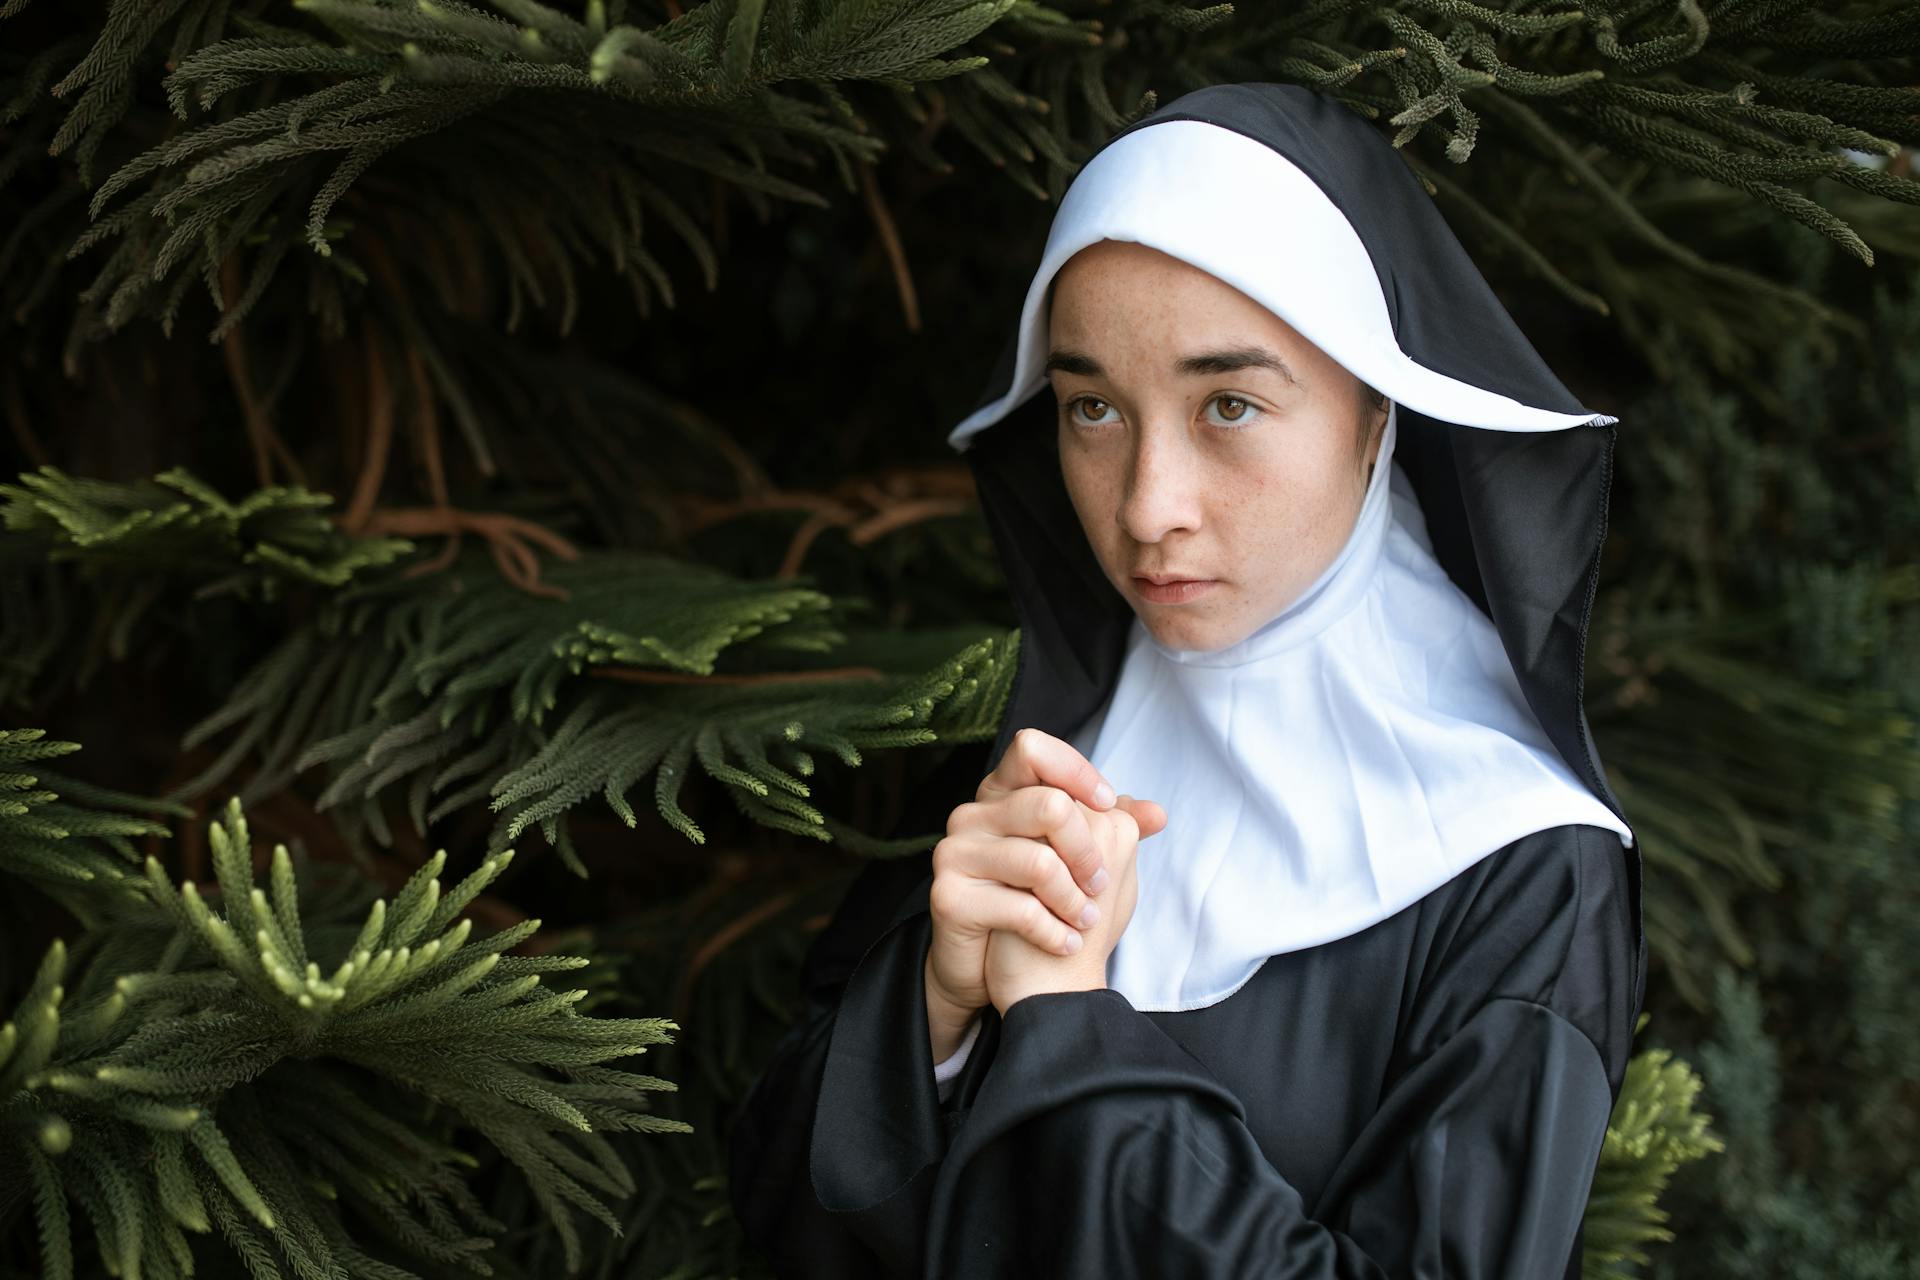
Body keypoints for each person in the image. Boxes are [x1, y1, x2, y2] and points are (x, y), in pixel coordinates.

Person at [727, 81, 1643, 1279]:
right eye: (1093, 408)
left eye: (1229, 404)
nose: (1150, 505)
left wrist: (1066, 1031)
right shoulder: (1044, 766)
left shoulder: (1527, 872)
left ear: (1376, 411)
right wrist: (932, 1016)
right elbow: (778, 1223)